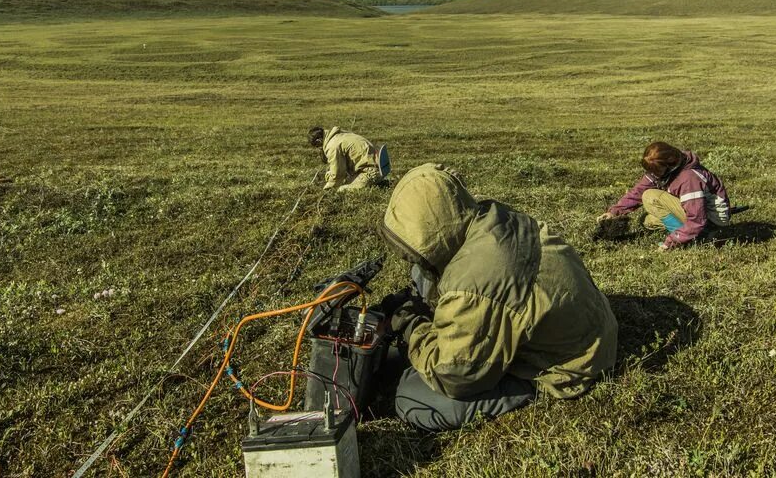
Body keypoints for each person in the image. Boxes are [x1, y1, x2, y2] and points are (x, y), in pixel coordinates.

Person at [377, 163, 617, 431]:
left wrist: (412, 326)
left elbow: (455, 375)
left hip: (573, 364)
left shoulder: (475, 284)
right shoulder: (493, 217)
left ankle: (525, 389)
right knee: (423, 278)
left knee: (412, 397)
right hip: (593, 329)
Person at [597, 141, 731, 250]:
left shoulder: (688, 178)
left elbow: (697, 219)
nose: (653, 175)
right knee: (648, 221)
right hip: (699, 216)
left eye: (656, 171)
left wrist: (671, 242)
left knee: (650, 197)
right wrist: (614, 212)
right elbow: (638, 191)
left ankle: (691, 239)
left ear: (670, 164)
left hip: (711, 223)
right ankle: (687, 234)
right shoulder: (664, 169)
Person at [308, 126, 385, 192]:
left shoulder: (332, 146)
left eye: (316, 146)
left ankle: (375, 181)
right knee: (329, 174)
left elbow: (337, 173)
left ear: (318, 141)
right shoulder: (340, 135)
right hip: (377, 165)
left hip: (370, 172)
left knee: (341, 189)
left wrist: (327, 189)